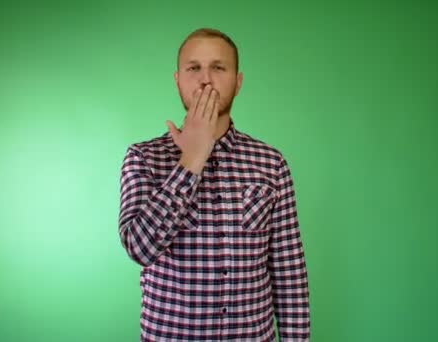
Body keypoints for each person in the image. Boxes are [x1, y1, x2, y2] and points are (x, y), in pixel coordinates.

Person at [118, 28, 310, 341]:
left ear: (238, 81)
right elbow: (139, 249)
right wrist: (191, 159)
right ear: (178, 80)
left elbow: (289, 276)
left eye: (218, 68)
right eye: (194, 68)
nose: (205, 79)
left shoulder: (271, 164)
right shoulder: (143, 158)